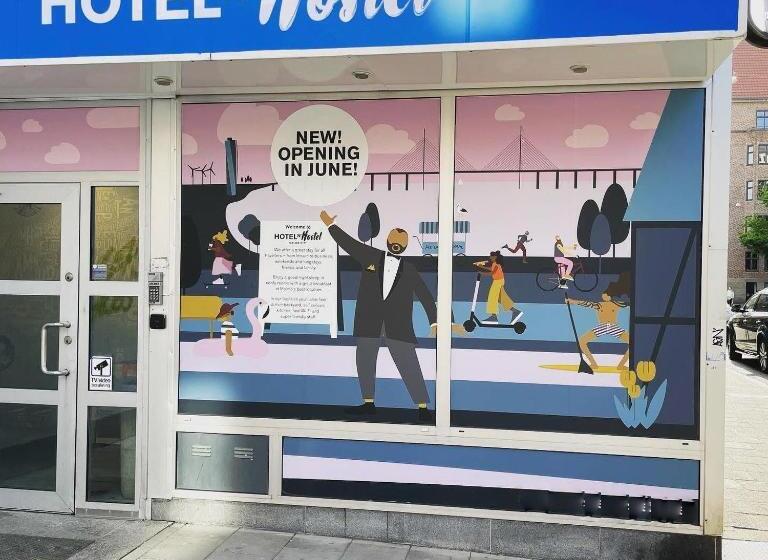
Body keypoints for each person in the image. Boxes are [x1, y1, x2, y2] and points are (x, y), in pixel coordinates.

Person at [320, 210, 437, 423]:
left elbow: (426, 297)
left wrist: (434, 321)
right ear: (388, 241)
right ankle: (368, 403)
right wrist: (330, 225)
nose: (396, 245)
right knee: (364, 361)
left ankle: (422, 407)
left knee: (409, 363)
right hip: (368, 321)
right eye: (394, 241)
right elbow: (348, 243)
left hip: (398, 326)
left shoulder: (410, 270)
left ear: (404, 246)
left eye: (400, 242)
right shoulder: (370, 256)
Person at [566, 274, 631, 370]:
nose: (604, 297)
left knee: (632, 343)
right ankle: (594, 364)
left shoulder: (617, 304)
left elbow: (629, 304)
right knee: (582, 341)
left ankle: (621, 365)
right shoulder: (599, 305)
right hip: (602, 326)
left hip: (613, 327)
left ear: (609, 296)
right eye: (603, 295)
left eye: (606, 295)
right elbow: (586, 303)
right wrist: (572, 301)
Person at [473, 251, 524, 325]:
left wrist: (481, 273)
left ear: (495, 257)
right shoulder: (495, 264)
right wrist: (481, 267)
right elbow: (491, 269)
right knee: (502, 298)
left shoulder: (496, 265)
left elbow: (491, 273)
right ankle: (516, 311)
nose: (490, 257)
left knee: (492, 297)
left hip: (497, 282)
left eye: (491, 256)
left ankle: (494, 317)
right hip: (499, 281)